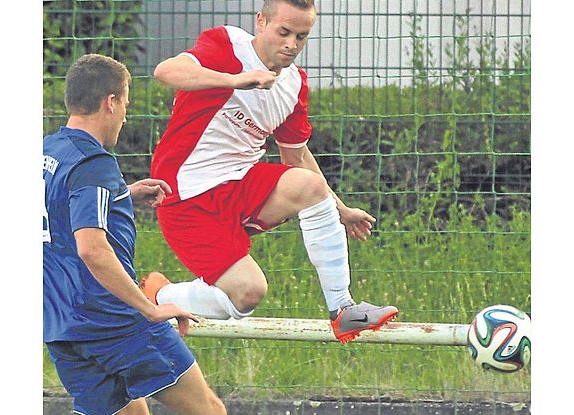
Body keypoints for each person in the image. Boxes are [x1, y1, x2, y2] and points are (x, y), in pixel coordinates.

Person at [43, 53, 358, 415]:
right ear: (110, 102)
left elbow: (60, 218)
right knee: (208, 414)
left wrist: (123, 195)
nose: (125, 114)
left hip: (61, 325)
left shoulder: (49, 154)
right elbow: (92, 248)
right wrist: (148, 307)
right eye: (125, 103)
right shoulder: (93, 162)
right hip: (115, 319)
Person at [143, 0, 398, 343]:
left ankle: (343, 310)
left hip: (239, 186)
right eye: (284, 32)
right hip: (184, 195)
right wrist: (236, 80)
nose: (291, 44)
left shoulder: (294, 85)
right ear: (261, 22)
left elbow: (297, 157)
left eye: (301, 36)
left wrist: (341, 211)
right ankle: (159, 296)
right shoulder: (226, 45)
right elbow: (165, 72)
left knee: (307, 185)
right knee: (248, 294)